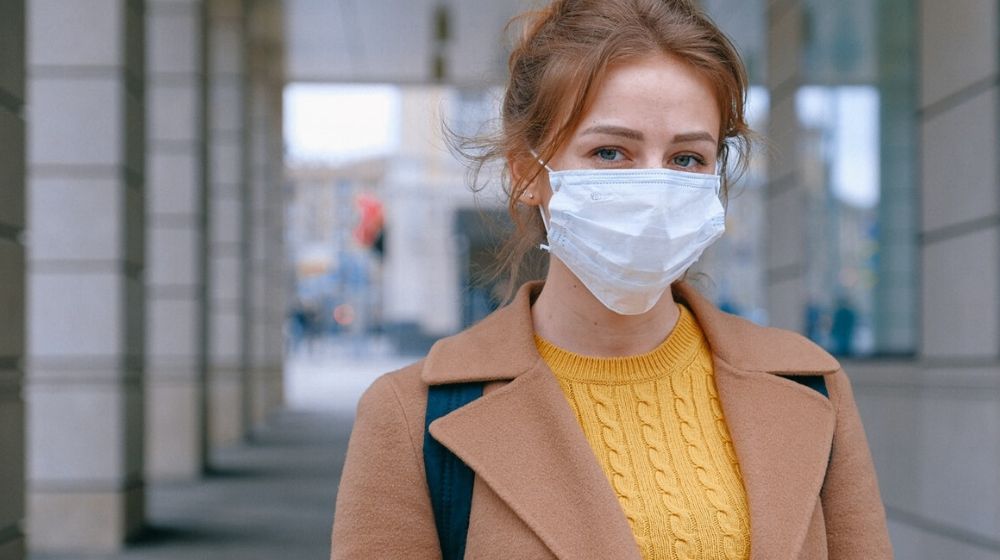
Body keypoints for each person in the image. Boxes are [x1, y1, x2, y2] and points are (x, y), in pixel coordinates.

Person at [331, 0, 892, 558]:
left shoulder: (810, 386)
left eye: (687, 158)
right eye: (610, 151)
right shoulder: (413, 418)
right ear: (528, 173)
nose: (652, 189)